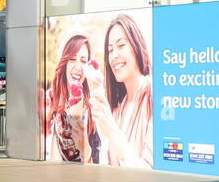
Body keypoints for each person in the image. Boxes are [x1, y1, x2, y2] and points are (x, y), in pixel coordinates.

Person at [87, 13, 152, 169]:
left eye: (121, 45)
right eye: (110, 50)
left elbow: (151, 175)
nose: (114, 55)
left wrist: (111, 130)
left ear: (136, 46)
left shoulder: (153, 96)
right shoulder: (117, 108)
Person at [45, 33, 100, 163]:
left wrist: (79, 127)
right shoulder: (50, 100)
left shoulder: (93, 109)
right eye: (72, 59)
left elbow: (96, 164)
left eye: (83, 61)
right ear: (64, 63)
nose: (78, 67)